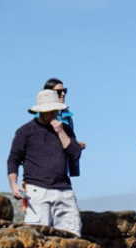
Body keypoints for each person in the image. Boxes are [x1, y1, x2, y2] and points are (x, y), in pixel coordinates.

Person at [6, 89, 84, 236]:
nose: (53, 114)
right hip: (37, 190)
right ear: (40, 111)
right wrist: (14, 185)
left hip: (64, 190)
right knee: (37, 238)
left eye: (54, 110)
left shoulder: (65, 129)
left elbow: (75, 154)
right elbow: (13, 160)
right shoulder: (25, 131)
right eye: (49, 111)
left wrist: (60, 132)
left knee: (73, 237)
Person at [43, 78, 84, 177]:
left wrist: (75, 144)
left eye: (64, 91)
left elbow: (68, 138)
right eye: (59, 92)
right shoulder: (41, 116)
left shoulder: (67, 115)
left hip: (63, 165)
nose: (63, 94)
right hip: (47, 166)